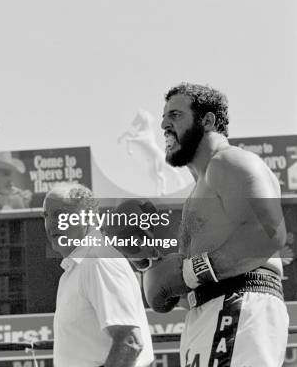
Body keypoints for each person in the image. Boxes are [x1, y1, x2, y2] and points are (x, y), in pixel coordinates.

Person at [143, 83, 288, 366]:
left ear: (207, 121)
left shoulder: (229, 161)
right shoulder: (199, 189)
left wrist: (186, 274)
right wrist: (149, 266)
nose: (163, 124)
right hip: (211, 310)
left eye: (175, 115)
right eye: (163, 117)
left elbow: (268, 233)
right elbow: (194, 283)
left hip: (239, 303)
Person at [42, 184, 154, 367]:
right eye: (46, 215)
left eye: (60, 214)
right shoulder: (79, 267)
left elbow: (130, 342)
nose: (51, 223)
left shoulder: (97, 261)